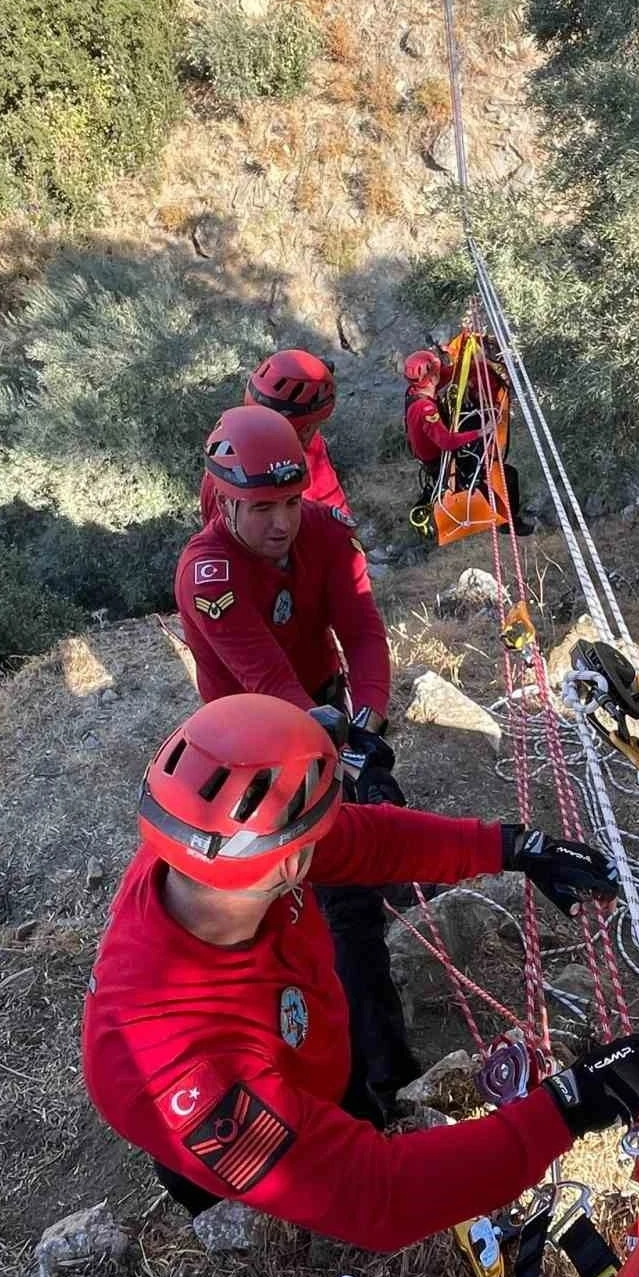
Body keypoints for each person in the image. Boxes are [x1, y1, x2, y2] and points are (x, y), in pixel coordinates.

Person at [82, 693, 639, 1247]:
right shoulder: (181, 1076)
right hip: (248, 1148)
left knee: (355, 1091)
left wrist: (514, 847)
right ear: (291, 861)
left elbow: (366, 841)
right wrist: (576, 1101)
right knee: (305, 1232)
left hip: (312, 1045)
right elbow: (379, 1197)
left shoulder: (206, 857)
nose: (331, 833)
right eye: (317, 831)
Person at [177, 405, 410, 1122]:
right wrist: (339, 743)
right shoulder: (207, 575)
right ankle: (364, 1082)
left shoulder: (327, 534)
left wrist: (366, 718)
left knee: (355, 897)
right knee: (310, 900)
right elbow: (266, 680)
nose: (280, 522)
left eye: (289, 501)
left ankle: (386, 1076)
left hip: (328, 709)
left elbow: (364, 634)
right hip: (252, 738)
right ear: (223, 499)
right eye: (259, 507)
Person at [198, 349, 351, 524]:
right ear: (306, 429)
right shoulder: (302, 464)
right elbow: (335, 523)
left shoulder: (224, 454)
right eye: (316, 425)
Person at [403, 349, 532, 536]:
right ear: (431, 378)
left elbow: (451, 374)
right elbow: (447, 442)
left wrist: (478, 365)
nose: (441, 373)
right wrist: (482, 431)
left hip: (436, 449)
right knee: (508, 475)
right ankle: (509, 522)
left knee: (475, 418)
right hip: (442, 459)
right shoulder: (425, 408)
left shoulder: (415, 392)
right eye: (437, 372)